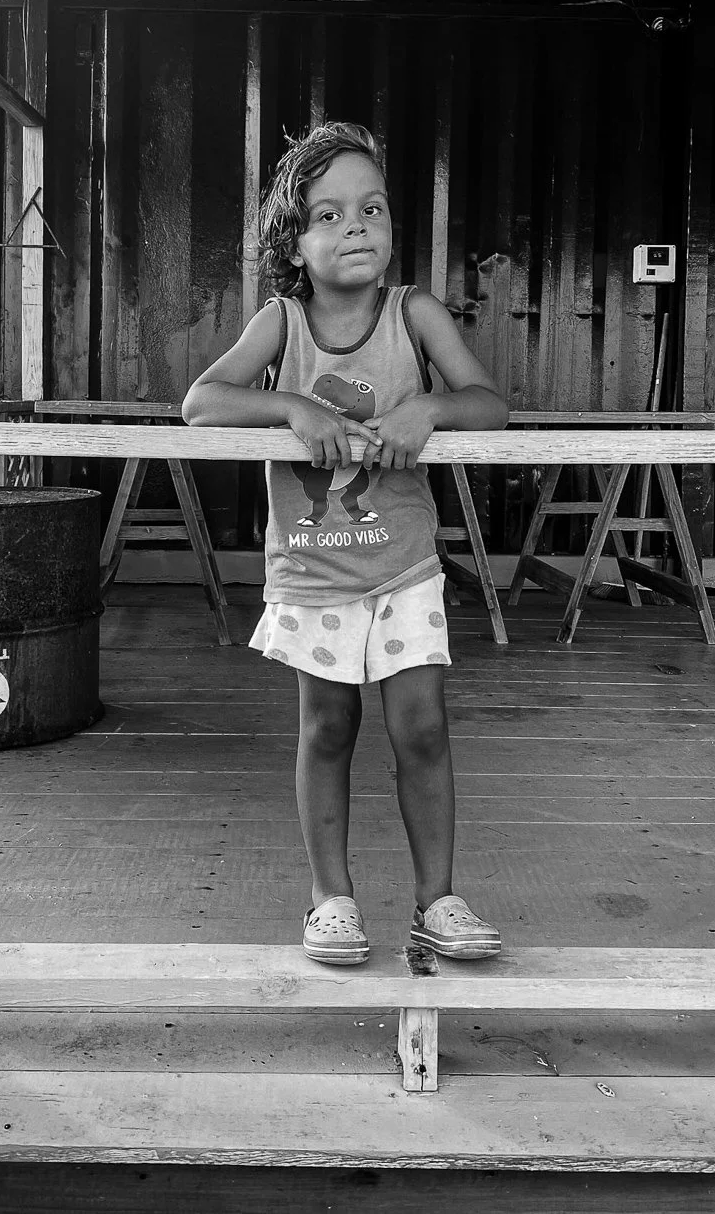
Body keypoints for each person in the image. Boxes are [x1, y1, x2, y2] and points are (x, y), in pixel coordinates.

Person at [182, 121, 509, 966]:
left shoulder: (415, 313)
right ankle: (330, 899)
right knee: (327, 726)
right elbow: (203, 402)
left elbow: (487, 402)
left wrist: (428, 409)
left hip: (403, 565)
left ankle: (436, 900)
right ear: (293, 243)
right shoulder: (281, 322)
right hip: (314, 572)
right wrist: (293, 407)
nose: (355, 226)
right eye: (327, 216)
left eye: (370, 208)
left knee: (422, 727)